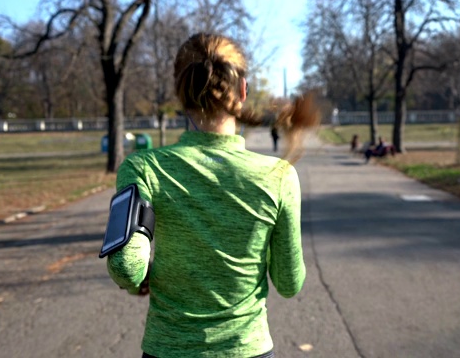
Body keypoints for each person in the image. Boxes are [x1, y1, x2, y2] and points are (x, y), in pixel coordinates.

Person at [106, 32, 319, 358]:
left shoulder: (142, 168)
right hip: (248, 349)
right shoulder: (279, 177)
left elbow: (125, 266)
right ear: (243, 90)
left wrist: (140, 279)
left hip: (168, 349)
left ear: (181, 92)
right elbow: (289, 283)